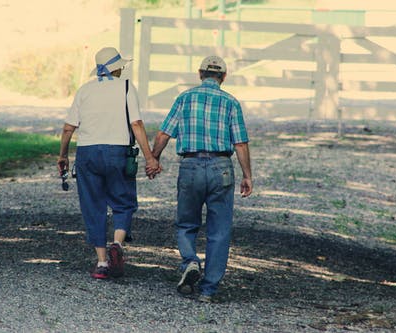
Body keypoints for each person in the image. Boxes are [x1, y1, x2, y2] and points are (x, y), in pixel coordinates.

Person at [152, 55, 252, 302]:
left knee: (186, 223)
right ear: (224, 77)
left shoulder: (184, 99)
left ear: (200, 74)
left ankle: (190, 261)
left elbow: (164, 134)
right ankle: (208, 290)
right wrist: (247, 175)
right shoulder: (231, 102)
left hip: (191, 165)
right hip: (221, 167)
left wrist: (153, 158)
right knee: (219, 229)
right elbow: (240, 143)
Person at [57, 47, 159, 280]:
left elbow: (68, 127)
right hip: (118, 151)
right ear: (116, 67)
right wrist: (149, 157)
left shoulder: (84, 90)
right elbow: (137, 124)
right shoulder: (125, 87)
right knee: (123, 201)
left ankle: (102, 262)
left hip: (88, 153)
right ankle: (118, 244)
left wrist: (63, 155)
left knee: (93, 205)